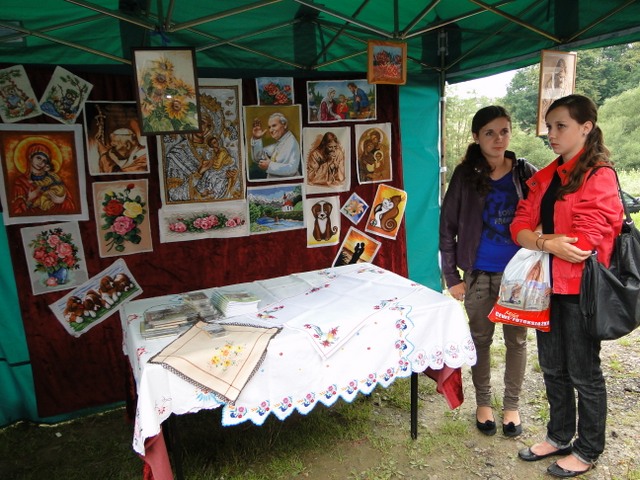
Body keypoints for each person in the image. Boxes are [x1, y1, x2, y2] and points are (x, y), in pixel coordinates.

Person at [512, 94, 623, 477]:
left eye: (561, 126)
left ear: (586, 128)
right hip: (546, 288)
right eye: (549, 126)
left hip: (579, 291)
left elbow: (584, 242)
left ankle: (588, 449)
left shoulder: (599, 175)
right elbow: (518, 227)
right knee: (552, 367)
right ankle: (559, 436)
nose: (552, 134)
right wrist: (546, 240)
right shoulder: (546, 176)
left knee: (583, 372)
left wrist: (540, 237)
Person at [439, 106, 537, 438]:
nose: (498, 139)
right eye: (490, 133)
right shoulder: (465, 174)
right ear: (476, 136)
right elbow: (447, 227)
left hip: (518, 275)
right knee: (480, 339)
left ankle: (511, 406)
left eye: (504, 131)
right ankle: (483, 403)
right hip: (479, 273)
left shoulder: (524, 172)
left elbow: (549, 208)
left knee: (516, 341)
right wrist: (452, 278)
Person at [12, 141, 75, 214]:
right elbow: (16, 210)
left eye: (44, 161)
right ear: (30, 157)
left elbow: (71, 206)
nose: (41, 162)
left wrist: (60, 200)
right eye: (38, 158)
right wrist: (29, 199)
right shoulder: (21, 181)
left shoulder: (52, 177)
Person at [251, 112, 301, 179]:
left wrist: (269, 165)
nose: (271, 130)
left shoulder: (291, 142)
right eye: (269, 127)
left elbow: (292, 169)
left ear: (285, 125)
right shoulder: (279, 143)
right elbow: (259, 157)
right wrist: (257, 138)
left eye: (274, 126)